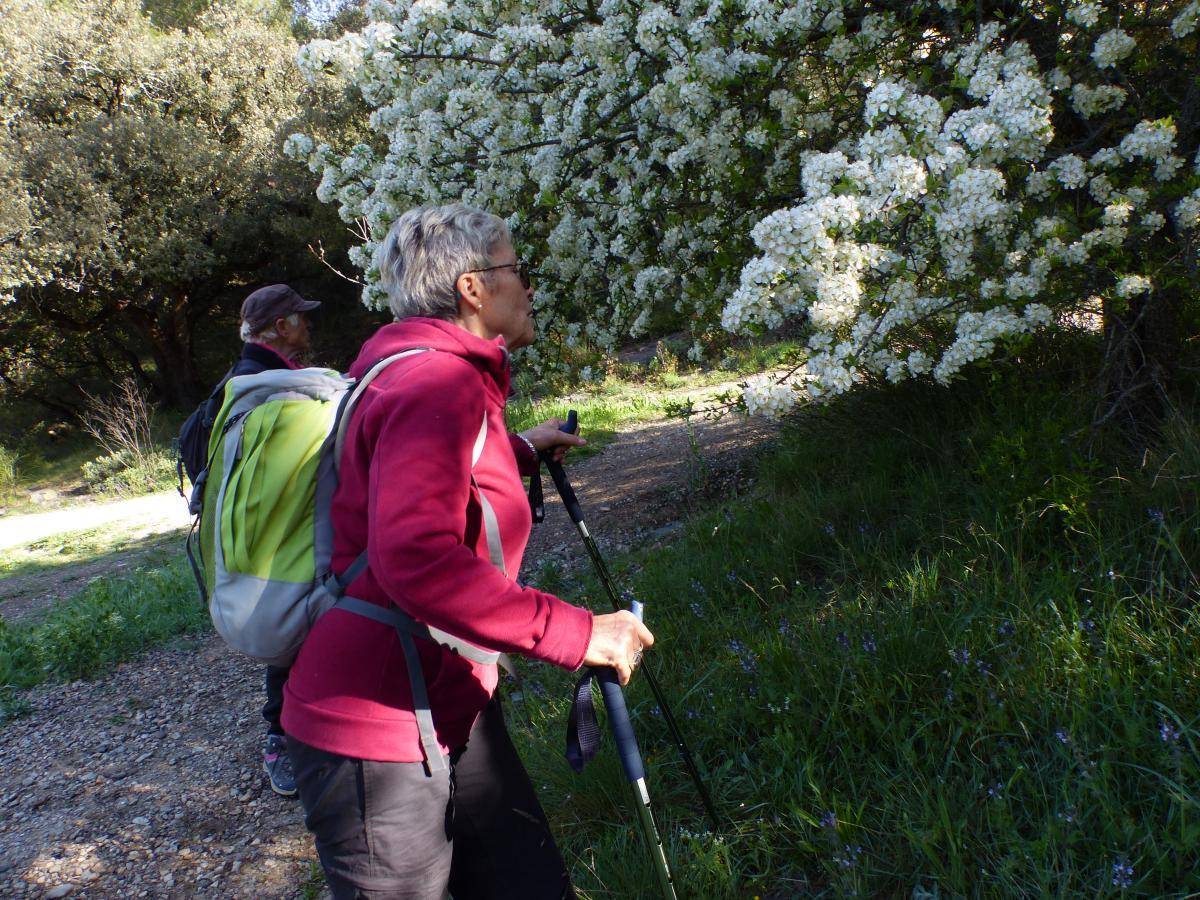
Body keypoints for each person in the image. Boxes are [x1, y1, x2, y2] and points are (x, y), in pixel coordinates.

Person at [281, 204, 654, 900]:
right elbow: (416, 556)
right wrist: (579, 632)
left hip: (448, 702)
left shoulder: (420, 374)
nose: (529, 286)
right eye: (516, 269)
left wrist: (517, 450)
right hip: (375, 729)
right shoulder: (434, 384)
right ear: (473, 289)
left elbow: (425, 486)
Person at [201, 283, 321, 798]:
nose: (308, 325)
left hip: (268, 545)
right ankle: (280, 738)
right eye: (301, 317)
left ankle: (302, 732)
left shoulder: (252, 381)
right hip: (270, 549)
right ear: (280, 328)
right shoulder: (261, 387)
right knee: (287, 644)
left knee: (298, 644)